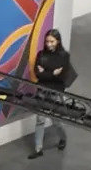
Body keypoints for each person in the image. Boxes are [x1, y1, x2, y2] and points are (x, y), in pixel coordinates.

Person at [29, 28, 71, 159]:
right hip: (42, 90)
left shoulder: (64, 56)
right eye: (47, 41)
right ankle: (38, 149)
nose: (49, 44)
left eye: (52, 41)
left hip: (55, 93)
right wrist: (52, 73)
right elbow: (37, 73)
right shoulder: (41, 54)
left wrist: (45, 73)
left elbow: (61, 77)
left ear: (57, 41)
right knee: (40, 120)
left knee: (56, 120)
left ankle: (63, 138)